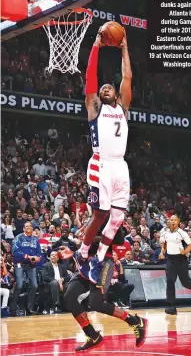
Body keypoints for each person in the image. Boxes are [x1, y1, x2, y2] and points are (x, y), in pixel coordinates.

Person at [76, 27, 132, 285]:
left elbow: (128, 77)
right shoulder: (95, 107)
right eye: (104, 88)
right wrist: (97, 45)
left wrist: (124, 48)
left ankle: (98, 259)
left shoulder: (123, 108)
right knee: (100, 214)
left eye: (111, 87)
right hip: (101, 163)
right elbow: (90, 78)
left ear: (117, 96)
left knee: (118, 217)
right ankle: (82, 253)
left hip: (121, 166)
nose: (106, 88)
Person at [64, 229, 147, 352]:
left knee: (95, 303)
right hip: (86, 266)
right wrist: (73, 249)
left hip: (102, 264)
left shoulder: (109, 218)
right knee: (69, 298)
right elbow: (82, 243)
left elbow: (118, 240)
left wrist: (92, 237)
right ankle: (93, 335)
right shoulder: (92, 218)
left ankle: (134, 321)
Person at [159, 215, 191, 315]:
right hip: (170, 260)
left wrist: (185, 252)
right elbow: (165, 244)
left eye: (174, 220)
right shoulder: (166, 233)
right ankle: (172, 306)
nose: (172, 222)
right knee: (170, 282)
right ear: (169, 221)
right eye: (171, 220)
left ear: (178, 221)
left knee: (185, 283)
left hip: (181, 260)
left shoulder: (182, 232)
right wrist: (162, 252)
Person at [10, 221, 41, 315]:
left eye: (30, 226)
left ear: (32, 228)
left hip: (31, 265)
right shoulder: (19, 238)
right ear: (23, 229)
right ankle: (13, 308)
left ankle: (29, 308)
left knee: (34, 285)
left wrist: (37, 258)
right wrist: (28, 257)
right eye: (26, 226)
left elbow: (39, 253)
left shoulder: (35, 240)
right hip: (20, 263)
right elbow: (15, 251)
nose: (28, 227)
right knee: (19, 285)